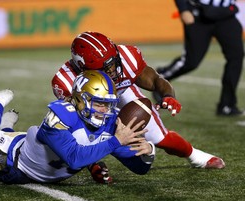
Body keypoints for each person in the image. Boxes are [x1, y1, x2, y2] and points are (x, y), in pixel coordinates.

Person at [51, 31, 225, 176]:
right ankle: (92, 164)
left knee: (158, 136)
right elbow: (77, 129)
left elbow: (155, 80)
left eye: (113, 63)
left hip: (122, 92)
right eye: (106, 68)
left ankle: (194, 156)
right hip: (94, 104)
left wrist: (167, 95)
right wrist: (92, 164)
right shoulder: (65, 81)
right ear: (84, 69)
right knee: (87, 131)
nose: (113, 70)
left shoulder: (126, 57)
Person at [0, 70, 155, 184]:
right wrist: (115, 141)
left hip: (49, 173)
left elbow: (141, 168)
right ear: (81, 100)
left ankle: (7, 125)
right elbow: (74, 158)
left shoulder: (111, 123)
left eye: (109, 104)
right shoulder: (61, 114)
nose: (105, 111)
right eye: (99, 103)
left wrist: (147, 152)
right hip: (18, 162)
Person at [154, 0, 244, 116]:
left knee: (236, 57)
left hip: (226, 14)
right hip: (199, 14)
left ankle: (227, 105)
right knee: (191, 61)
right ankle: (162, 77)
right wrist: (184, 9)